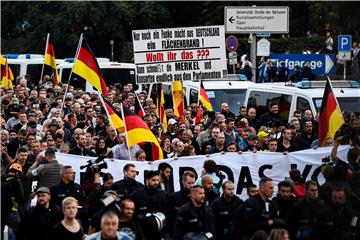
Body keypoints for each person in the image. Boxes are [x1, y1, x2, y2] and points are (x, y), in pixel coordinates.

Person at [131, 170, 168, 240]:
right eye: (153, 180)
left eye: (157, 180)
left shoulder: (163, 194)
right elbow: (134, 213)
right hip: (143, 230)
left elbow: (166, 211)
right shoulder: (137, 194)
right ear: (147, 180)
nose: (156, 182)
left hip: (160, 230)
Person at [1, 163, 25, 238]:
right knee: (23, 230)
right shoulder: (16, 182)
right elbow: (21, 198)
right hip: (10, 212)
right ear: (17, 173)